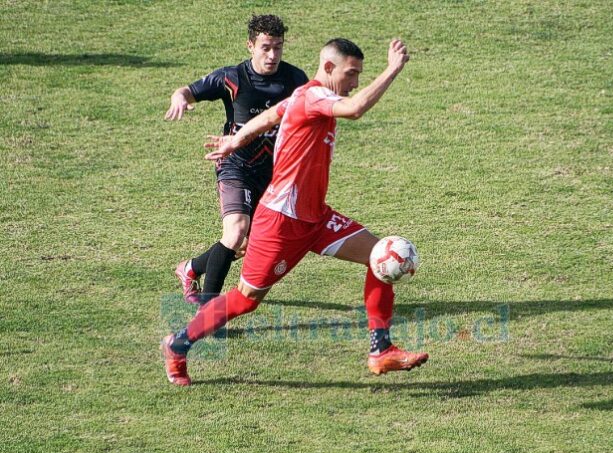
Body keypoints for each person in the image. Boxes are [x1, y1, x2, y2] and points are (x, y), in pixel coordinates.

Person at [161, 38, 428, 386]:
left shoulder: (305, 95)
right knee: (245, 300)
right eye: (352, 73)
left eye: (359, 75)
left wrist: (235, 139)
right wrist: (392, 69)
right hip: (280, 224)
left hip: (316, 218)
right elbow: (356, 108)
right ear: (329, 68)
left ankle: (381, 350)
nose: (355, 82)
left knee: (381, 256)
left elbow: (273, 114)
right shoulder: (315, 95)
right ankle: (177, 345)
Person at [165, 15, 308, 304]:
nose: (272, 55)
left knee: (244, 245)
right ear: (250, 46)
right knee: (236, 231)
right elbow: (188, 91)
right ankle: (209, 314)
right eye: (266, 47)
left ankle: (190, 268)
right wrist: (179, 98)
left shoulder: (295, 79)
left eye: (278, 47)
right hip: (235, 164)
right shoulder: (232, 78)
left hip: (273, 175)